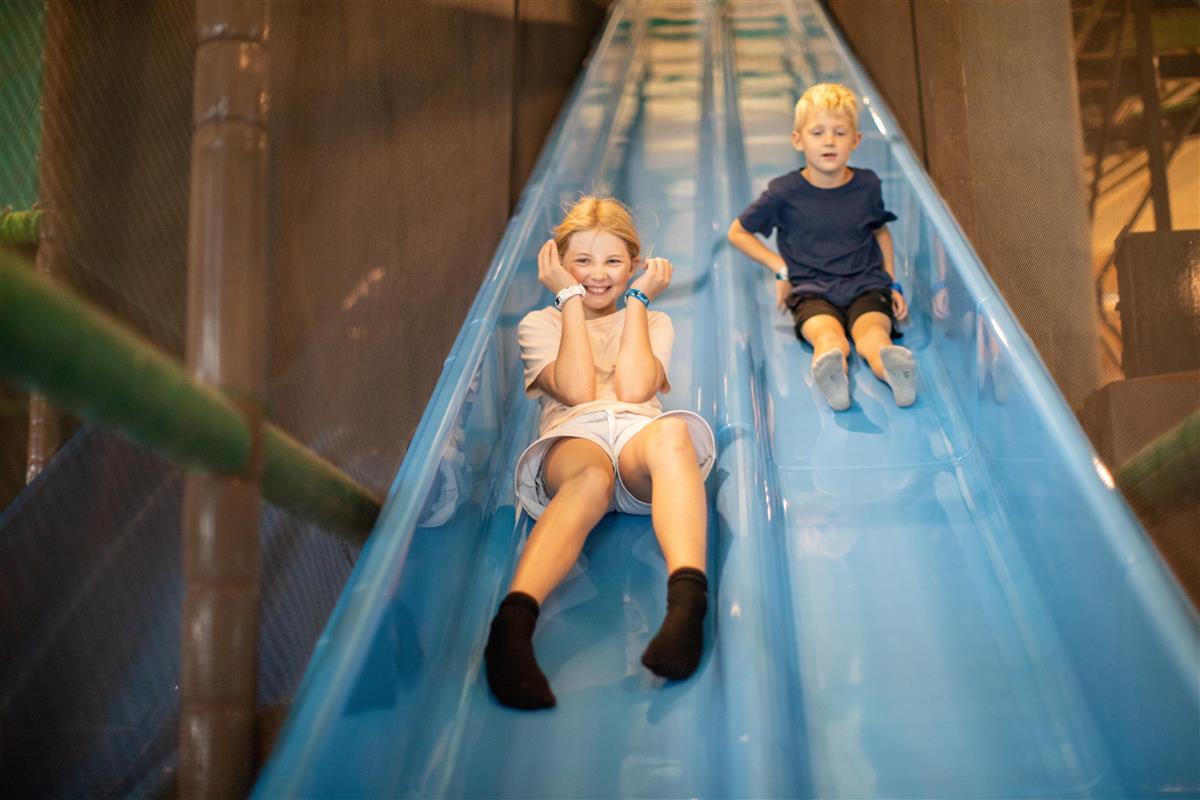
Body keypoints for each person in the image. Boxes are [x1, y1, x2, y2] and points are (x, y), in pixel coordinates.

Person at [485, 196, 716, 710]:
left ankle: (686, 607)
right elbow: (577, 390)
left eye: (613, 261)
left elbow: (633, 391)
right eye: (582, 261)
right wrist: (568, 299)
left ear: (634, 264)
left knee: (674, 434)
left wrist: (638, 302)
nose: (596, 274)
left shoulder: (653, 321)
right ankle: (512, 630)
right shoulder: (539, 324)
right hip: (575, 440)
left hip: (637, 442)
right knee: (590, 479)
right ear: (559, 263)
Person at [728, 82, 917, 410]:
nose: (829, 141)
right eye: (817, 132)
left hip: (866, 285)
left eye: (840, 133)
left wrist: (892, 283)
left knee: (874, 334)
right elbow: (737, 232)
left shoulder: (867, 185)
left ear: (856, 140)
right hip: (811, 290)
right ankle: (833, 378)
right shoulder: (784, 193)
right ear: (798, 139)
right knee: (828, 337)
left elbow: (881, 233)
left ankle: (893, 370)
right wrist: (781, 268)